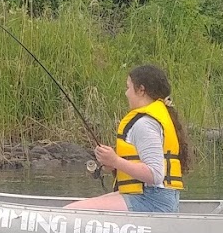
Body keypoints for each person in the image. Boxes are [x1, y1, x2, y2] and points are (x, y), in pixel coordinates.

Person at [67, 64, 189, 212]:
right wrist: (113, 164)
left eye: (129, 87)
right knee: (73, 208)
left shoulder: (145, 124)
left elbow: (155, 175)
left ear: (141, 90)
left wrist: (115, 160)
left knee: (70, 211)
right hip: (151, 198)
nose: (126, 93)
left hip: (152, 201)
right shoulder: (152, 119)